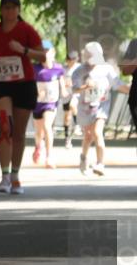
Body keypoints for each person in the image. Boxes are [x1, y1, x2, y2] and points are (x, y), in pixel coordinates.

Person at [0, 0, 45, 194]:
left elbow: (42, 55)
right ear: (0, 10)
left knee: (18, 132)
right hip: (0, 83)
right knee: (5, 126)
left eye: (13, 8)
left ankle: (16, 174)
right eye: (6, 7)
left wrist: (23, 50)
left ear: (19, 10)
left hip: (23, 84)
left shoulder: (27, 30)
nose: (9, 11)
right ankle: (5, 176)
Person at [73, 41, 122, 176]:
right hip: (85, 108)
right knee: (88, 136)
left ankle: (100, 163)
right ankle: (83, 157)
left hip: (101, 106)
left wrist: (131, 89)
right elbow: (74, 89)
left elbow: (118, 84)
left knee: (97, 132)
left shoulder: (106, 69)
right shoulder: (79, 71)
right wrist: (85, 87)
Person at [31, 41, 63, 168]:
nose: (45, 54)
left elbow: (63, 87)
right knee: (39, 132)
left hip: (51, 103)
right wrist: (36, 94)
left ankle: (49, 157)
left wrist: (66, 90)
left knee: (47, 125)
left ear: (52, 53)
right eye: (42, 51)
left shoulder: (58, 68)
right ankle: (39, 146)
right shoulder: (35, 69)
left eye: (47, 51)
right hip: (37, 103)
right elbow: (29, 85)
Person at [61, 49, 81, 148]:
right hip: (66, 94)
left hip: (76, 93)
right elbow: (60, 80)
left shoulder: (79, 68)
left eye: (72, 60)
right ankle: (67, 139)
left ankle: (77, 124)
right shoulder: (63, 69)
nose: (70, 62)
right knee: (67, 118)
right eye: (69, 59)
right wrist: (64, 84)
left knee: (73, 105)